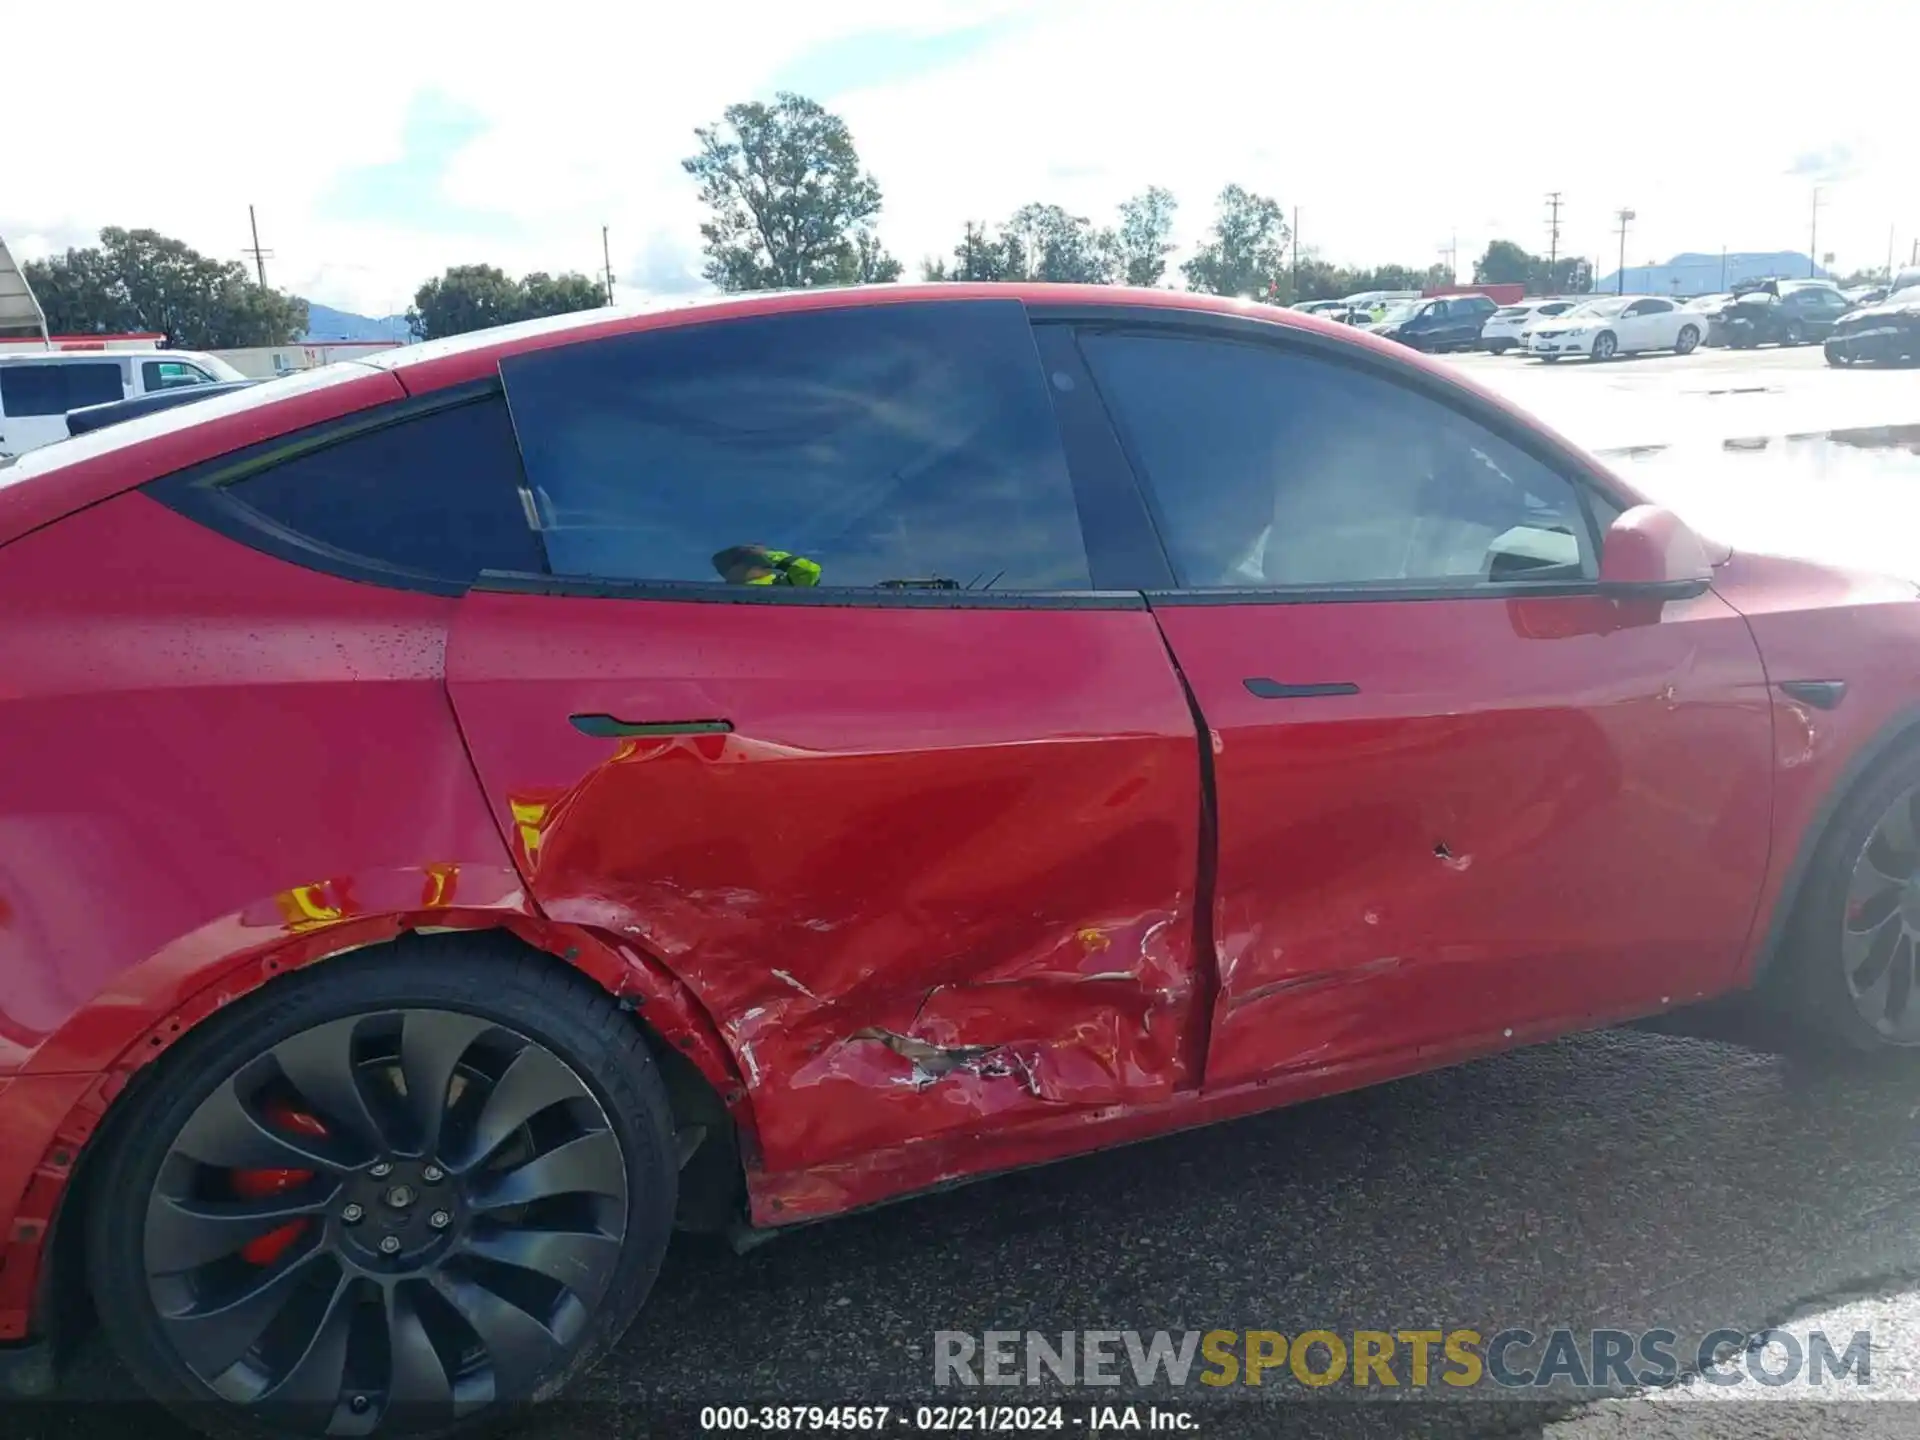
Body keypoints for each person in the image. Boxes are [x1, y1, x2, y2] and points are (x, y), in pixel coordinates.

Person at [711, 544, 822, 586]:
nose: (725, 572)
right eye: (722, 569)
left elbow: (809, 571)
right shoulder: (715, 596)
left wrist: (768, 555)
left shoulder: (781, 585)